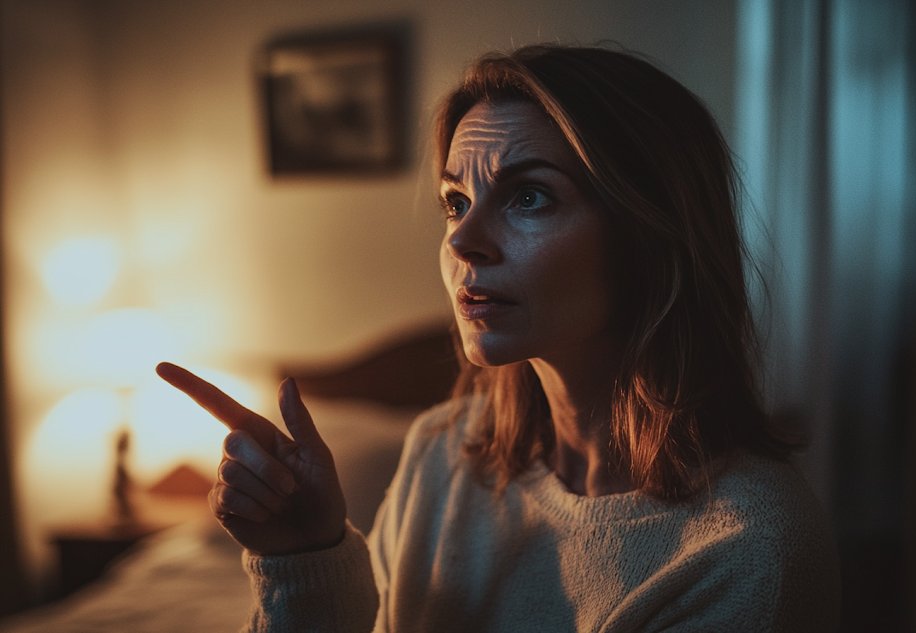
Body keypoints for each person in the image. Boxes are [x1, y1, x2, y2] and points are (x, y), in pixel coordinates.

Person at [157, 44, 840, 632]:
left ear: (652, 235)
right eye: (455, 202)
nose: (462, 240)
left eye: (529, 196)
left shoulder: (748, 552)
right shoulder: (443, 451)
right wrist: (305, 556)